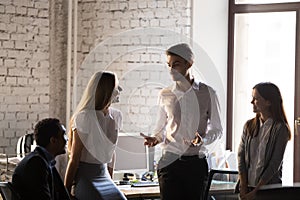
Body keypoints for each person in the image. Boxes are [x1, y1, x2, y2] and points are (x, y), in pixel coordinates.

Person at [142, 43, 223, 200]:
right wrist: (155, 139)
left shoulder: (208, 93)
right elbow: (161, 128)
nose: (171, 69)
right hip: (169, 162)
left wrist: (203, 140)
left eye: (176, 64)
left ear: (189, 63)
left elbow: (217, 129)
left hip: (196, 164)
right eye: (169, 65)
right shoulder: (165, 94)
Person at [64, 71, 126, 200]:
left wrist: (111, 179)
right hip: (87, 177)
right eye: (116, 87)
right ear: (106, 91)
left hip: (105, 176)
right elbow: (75, 158)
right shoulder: (85, 117)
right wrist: (66, 191)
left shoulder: (116, 116)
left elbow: (111, 152)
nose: (120, 89)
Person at [237, 82, 291, 200]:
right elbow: (241, 156)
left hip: (268, 190)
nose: (252, 102)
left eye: (256, 98)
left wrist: (257, 191)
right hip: (247, 187)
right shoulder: (249, 125)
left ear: (268, 102)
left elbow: (274, 164)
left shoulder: (280, 129)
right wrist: (243, 186)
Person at [12, 118, 71, 200]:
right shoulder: (36, 163)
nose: (67, 139)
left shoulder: (44, 161)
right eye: (63, 135)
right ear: (53, 140)